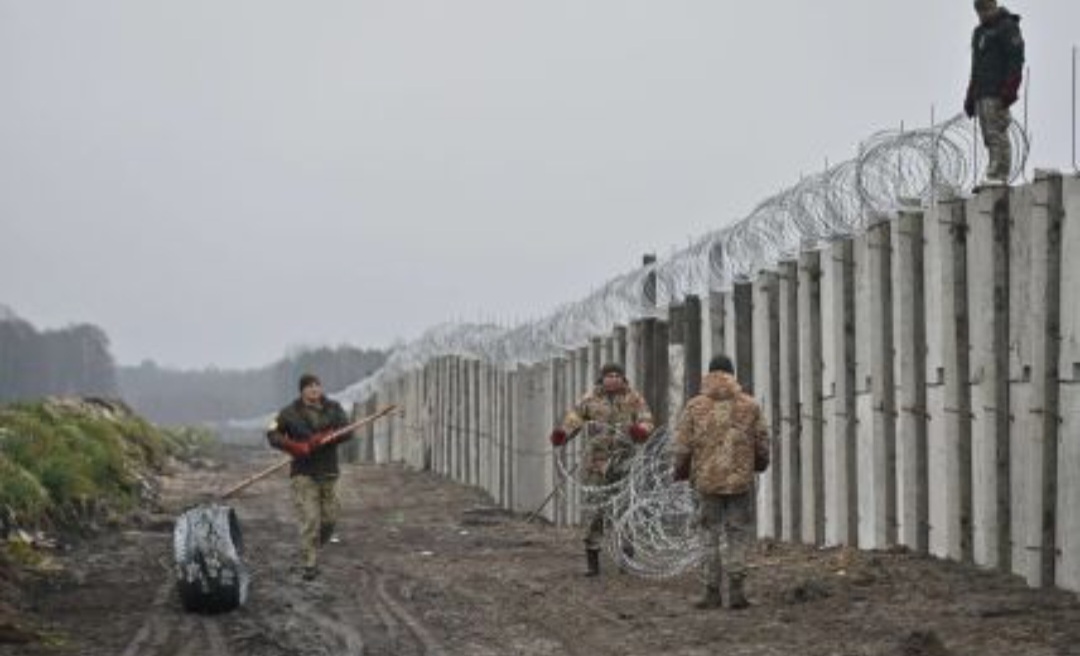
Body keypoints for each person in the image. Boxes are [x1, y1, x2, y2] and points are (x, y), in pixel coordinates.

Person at [672, 355, 769, 609]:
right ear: (732, 374)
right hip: (740, 481)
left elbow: (682, 446)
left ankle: (711, 591)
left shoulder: (695, 406)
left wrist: (680, 471)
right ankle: (737, 591)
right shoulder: (750, 405)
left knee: (708, 533)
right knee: (737, 533)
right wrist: (758, 465)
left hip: (706, 481)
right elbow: (762, 441)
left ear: (709, 373)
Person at [549, 362, 654, 577]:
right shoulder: (590, 399)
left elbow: (646, 418)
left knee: (625, 509)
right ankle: (592, 559)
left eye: (617, 375)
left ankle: (626, 557)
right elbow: (574, 419)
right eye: (609, 375)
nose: (613, 379)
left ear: (623, 378)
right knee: (595, 510)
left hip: (624, 462)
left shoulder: (633, 398)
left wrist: (641, 431)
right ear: (602, 378)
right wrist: (563, 434)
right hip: (596, 464)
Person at [266, 373, 353, 580]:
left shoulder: (333, 408)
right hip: (303, 473)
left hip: (329, 471)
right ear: (302, 390)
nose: (314, 389)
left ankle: (315, 544)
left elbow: (348, 431)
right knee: (310, 519)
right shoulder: (289, 413)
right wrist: (293, 446)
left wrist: (328, 437)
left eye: (317, 385)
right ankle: (309, 564)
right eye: (310, 386)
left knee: (330, 518)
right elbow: (272, 433)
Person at [964, 0, 1024, 187]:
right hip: (982, 90)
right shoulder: (979, 33)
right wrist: (971, 94)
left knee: (996, 132)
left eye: (986, 10)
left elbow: (1016, 59)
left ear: (994, 7)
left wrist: (1010, 88)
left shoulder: (1007, 27)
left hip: (998, 91)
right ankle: (993, 170)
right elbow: (976, 66)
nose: (983, 15)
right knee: (988, 136)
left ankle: (999, 174)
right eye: (980, 12)